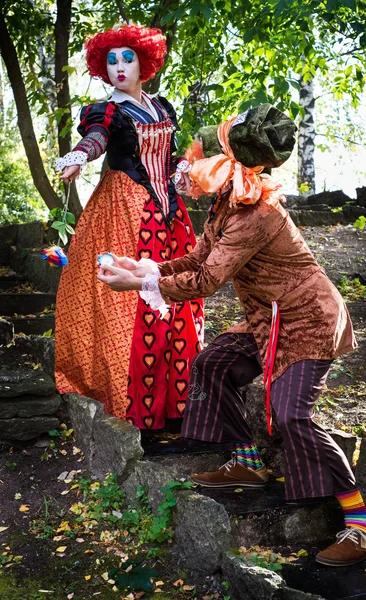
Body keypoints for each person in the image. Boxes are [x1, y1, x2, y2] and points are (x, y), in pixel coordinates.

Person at [97, 104, 366, 566]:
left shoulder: (255, 211)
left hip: (307, 318)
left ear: (221, 163)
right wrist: (146, 267)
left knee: (292, 417)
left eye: (192, 158)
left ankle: (362, 524)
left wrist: (141, 285)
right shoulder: (229, 201)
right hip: (267, 318)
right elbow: (195, 261)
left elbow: (206, 282)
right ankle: (248, 463)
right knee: (212, 365)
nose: (183, 167)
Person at [55, 25, 203, 428]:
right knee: (133, 302)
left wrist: (183, 176)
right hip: (125, 209)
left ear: (144, 62)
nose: (119, 67)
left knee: (175, 293)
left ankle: (177, 406)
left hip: (169, 213)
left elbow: (170, 159)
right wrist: (78, 157)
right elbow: (97, 138)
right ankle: (138, 409)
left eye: (127, 58)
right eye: (111, 60)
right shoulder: (106, 111)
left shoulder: (163, 108)